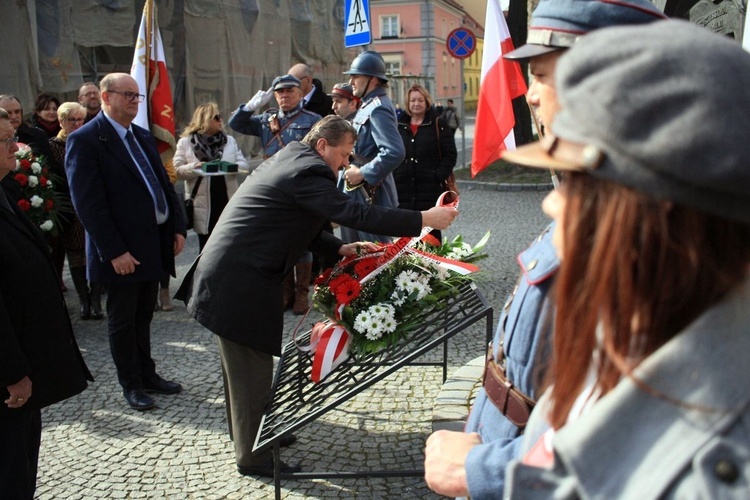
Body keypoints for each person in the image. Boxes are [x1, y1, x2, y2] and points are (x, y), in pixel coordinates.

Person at [423, 0, 666, 497]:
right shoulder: (597, 193)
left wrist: (484, 471)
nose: (530, 97)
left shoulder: (642, 228)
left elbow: (640, 435)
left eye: (541, 76)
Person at [500, 20, 750, 497]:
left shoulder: (717, 475)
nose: (553, 204)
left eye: (577, 185)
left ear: (654, 217)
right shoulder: (628, 330)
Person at [175, 115, 458, 479]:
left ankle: (258, 433)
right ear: (323, 145)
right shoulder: (308, 171)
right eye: (344, 154)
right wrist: (423, 218)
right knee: (250, 371)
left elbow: (298, 221)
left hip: (238, 274)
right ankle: (253, 457)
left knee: (246, 368)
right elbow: (355, 211)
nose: (348, 163)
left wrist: (339, 249)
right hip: (238, 280)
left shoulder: (293, 159)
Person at [65, 73, 187, 411]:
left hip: (152, 243)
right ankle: (131, 384)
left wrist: (177, 226)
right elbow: (88, 204)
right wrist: (114, 250)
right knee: (122, 320)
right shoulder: (87, 140)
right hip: (121, 250)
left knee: (143, 315)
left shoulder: (143, 137)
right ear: (105, 97)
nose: (135, 101)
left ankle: (148, 374)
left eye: (138, 96)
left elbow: (163, 184)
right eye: (128, 95)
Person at [0, 106, 93, 499]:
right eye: (6, 141)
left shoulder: (6, 188)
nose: (16, 147)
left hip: (26, 364)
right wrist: (11, 370)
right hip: (8, 379)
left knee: (22, 466)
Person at [229, 74, 322, 314]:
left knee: (302, 239)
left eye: (290, 91)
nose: (284, 96)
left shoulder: (312, 119)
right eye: (280, 92)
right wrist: (250, 106)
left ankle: (302, 293)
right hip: (272, 186)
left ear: (300, 93)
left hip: (300, 183)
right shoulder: (265, 120)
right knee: (277, 241)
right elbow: (236, 124)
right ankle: (285, 292)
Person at [339, 50, 405, 244]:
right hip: (358, 189)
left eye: (356, 76)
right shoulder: (368, 104)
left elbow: (395, 152)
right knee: (355, 251)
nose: (351, 82)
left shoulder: (378, 107)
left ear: (372, 79)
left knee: (373, 256)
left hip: (370, 192)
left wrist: (362, 173)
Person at [48, 102, 104, 320]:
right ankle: (84, 299)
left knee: (96, 253)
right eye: (72, 120)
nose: (77, 123)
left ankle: (97, 298)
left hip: (91, 204)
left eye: (81, 119)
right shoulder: (54, 145)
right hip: (70, 208)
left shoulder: (92, 140)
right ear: (61, 121)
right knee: (76, 253)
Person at [175, 102, 248, 252]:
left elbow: (244, 165)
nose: (221, 120)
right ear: (205, 119)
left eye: (220, 116)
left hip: (227, 200)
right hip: (202, 204)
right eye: (216, 117)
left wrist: (229, 167)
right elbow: (176, 171)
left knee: (229, 246)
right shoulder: (186, 143)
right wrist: (194, 167)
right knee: (206, 248)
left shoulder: (229, 141)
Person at [394, 84, 457, 241]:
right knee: (404, 236)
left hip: (429, 189)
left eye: (420, 100)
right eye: (413, 100)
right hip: (403, 190)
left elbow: (450, 154)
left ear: (427, 102)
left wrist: (437, 176)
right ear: (407, 103)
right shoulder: (399, 125)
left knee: (430, 236)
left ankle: (432, 265)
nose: (416, 104)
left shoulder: (438, 124)